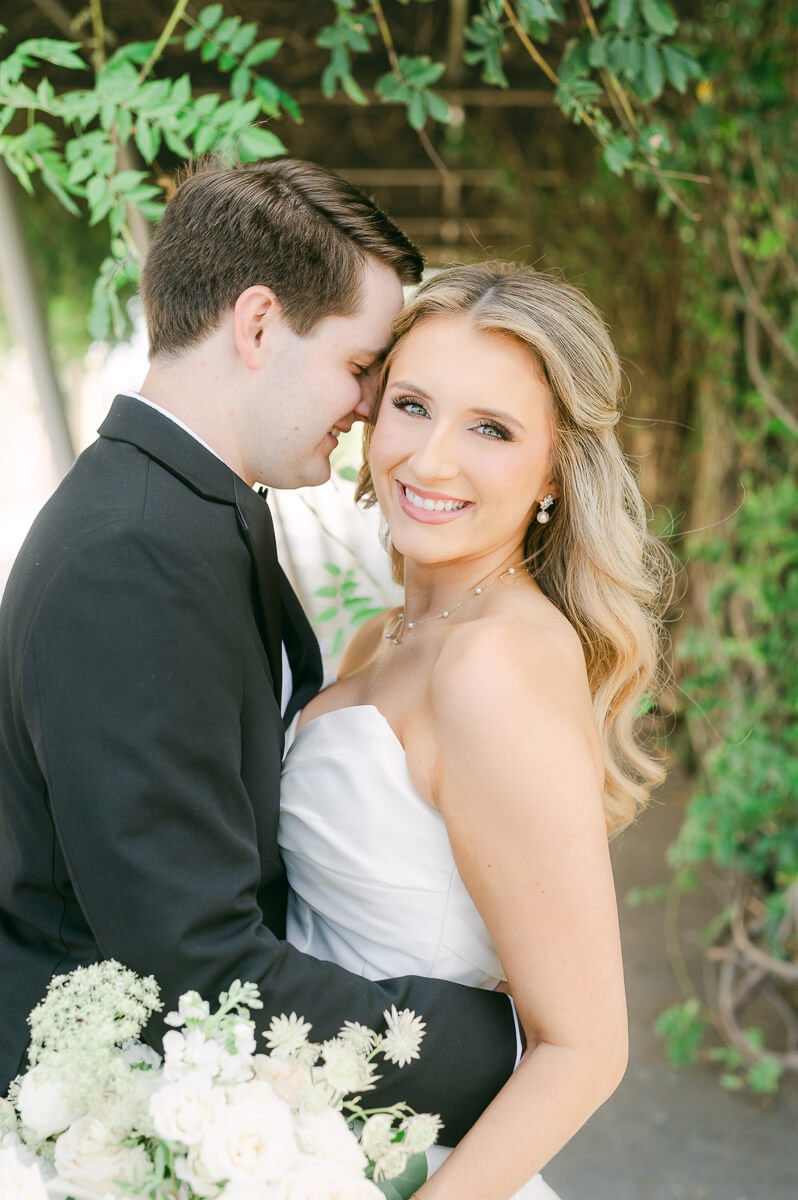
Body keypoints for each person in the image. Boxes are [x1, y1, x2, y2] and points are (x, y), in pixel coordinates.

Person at [0, 161, 521, 1138]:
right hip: (113, 1113)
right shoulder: (133, 557)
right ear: (255, 326)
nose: (371, 407)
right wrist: (500, 1044)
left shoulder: (194, 510)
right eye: (361, 365)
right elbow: (196, 964)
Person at [279, 262, 674, 1198]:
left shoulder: (496, 670)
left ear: (554, 469)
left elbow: (582, 1047)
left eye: (491, 429)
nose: (430, 459)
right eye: (413, 406)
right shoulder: (390, 633)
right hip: (301, 1132)